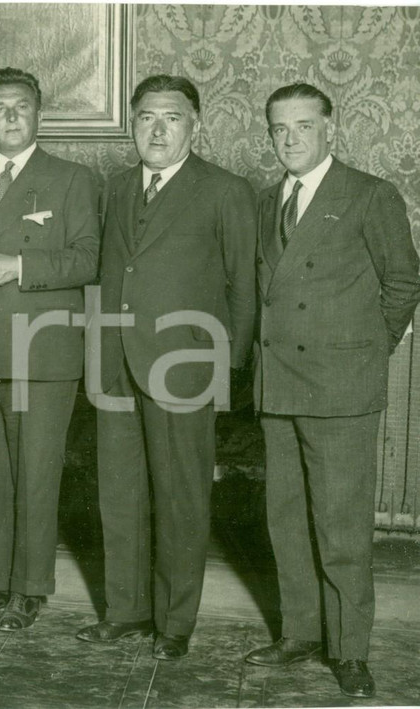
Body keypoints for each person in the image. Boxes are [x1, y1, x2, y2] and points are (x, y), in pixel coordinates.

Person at [243, 83, 420, 698]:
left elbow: (404, 283)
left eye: (303, 126)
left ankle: (349, 650)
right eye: (279, 128)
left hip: (341, 388)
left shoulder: (370, 194)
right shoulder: (267, 201)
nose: (290, 139)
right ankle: (300, 633)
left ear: (330, 129)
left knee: (341, 528)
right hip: (279, 384)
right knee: (287, 519)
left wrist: (365, 351)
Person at [78, 75, 257, 659]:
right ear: (131, 125)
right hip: (115, 366)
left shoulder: (225, 190)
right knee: (119, 496)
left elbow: (243, 289)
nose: (157, 130)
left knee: (182, 499)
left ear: (194, 125)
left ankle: (175, 623)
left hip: (184, 367)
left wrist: (226, 370)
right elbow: (108, 275)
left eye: (171, 118)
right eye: (146, 118)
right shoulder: (116, 187)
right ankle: (126, 611)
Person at [0, 67, 100, 632]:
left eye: (21, 106)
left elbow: (89, 258)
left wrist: (21, 266)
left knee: (36, 475)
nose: (11, 117)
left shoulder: (71, 178)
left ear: (40, 113)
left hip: (42, 351)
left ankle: (29, 589)